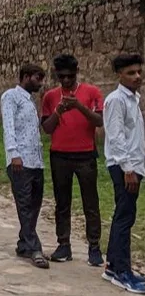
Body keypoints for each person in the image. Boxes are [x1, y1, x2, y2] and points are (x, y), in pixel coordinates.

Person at [40, 54, 104, 266]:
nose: (66, 80)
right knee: (62, 203)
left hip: (85, 154)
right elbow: (47, 128)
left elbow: (99, 121)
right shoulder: (50, 96)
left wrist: (79, 107)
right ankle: (63, 244)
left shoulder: (92, 92)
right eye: (61, 77)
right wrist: (58, 111)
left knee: (90, 203)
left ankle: (94, 247)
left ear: (77, 72)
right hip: (59, 155)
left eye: (70, 76)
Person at [102, 54, 145, 292]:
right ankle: (122, 272)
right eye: (131, 73)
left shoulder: (133, 99)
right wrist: (128, 168)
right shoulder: (116, 100)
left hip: (134, 165)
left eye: (139, 71)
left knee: (123, 215)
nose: (137, 76)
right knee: (125, 218)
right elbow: (116, 137)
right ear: (119, 75)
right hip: (124, 167)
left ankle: (112, 266)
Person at [0, 64, 49, 269]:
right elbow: (8, 126)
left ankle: (24, 244)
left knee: (35, 205)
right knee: (25, 206)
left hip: (35, 160)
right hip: (20, 161)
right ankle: (34, 248)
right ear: (26, 77)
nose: (41, 83)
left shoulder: (30, 101)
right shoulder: (11, 97)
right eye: (38, 78)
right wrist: (14, 153)